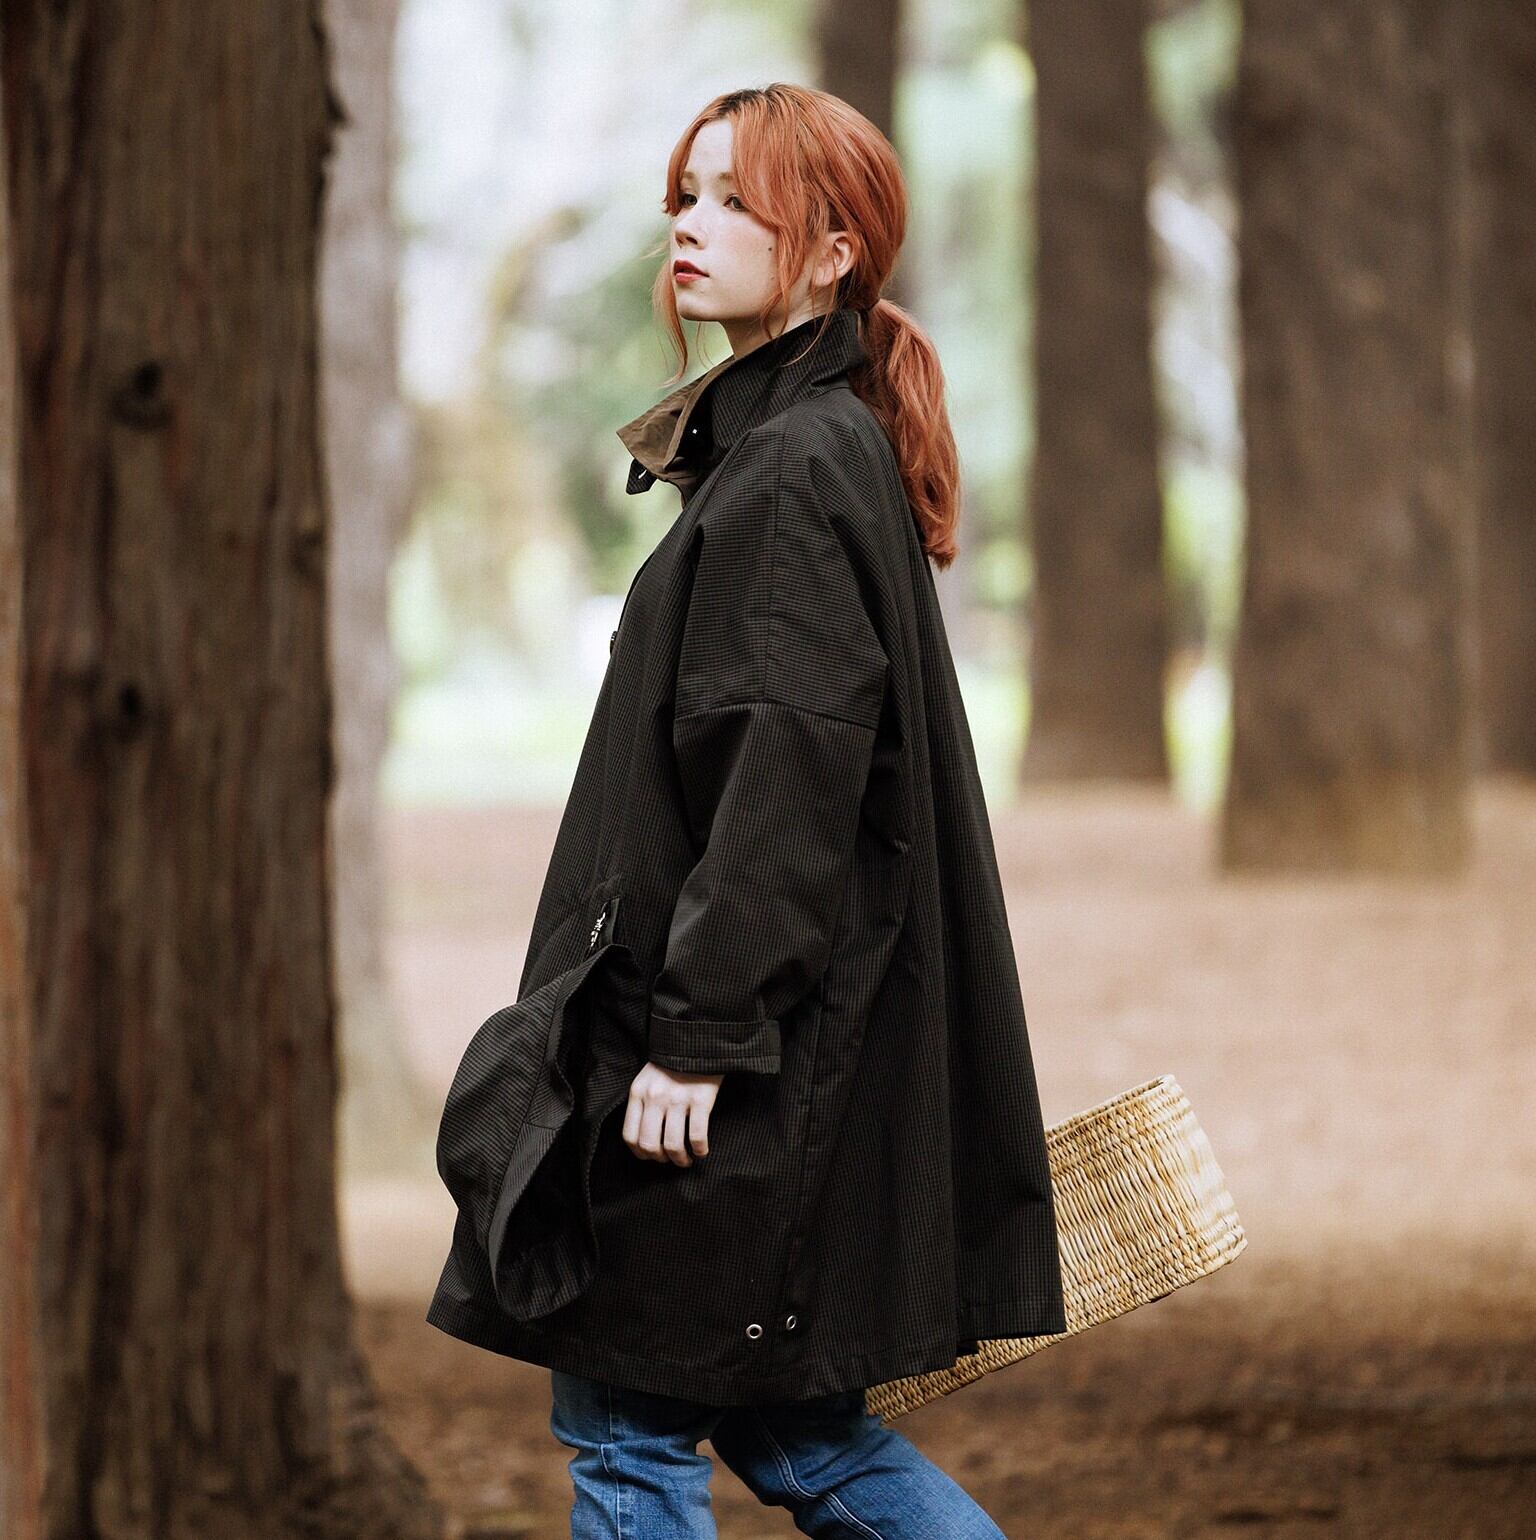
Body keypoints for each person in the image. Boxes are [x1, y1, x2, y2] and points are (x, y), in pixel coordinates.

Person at [427, 81, 1066, 1539]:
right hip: (763, 1051)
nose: (689, 225)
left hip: (720, 1064)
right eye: (686, 194)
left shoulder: (791, 467)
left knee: (627, 1427)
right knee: (796, 1433)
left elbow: (787, 772)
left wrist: (698, 1041)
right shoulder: (799, 447)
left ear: (833, 252)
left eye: (734, 199)